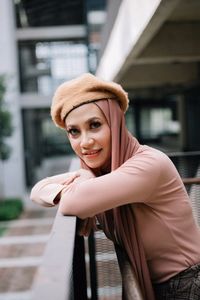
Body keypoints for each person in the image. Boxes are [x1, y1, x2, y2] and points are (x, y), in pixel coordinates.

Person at [30, 73, 200, 300]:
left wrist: (86, 181)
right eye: (74, 131)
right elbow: (38, 190)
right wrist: (85, 176)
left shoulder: (148, 165)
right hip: (168, 285)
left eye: (95, 125)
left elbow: (71, 202)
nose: (85, 141)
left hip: (187, 285)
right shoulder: (104, 171)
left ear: (117, 124)